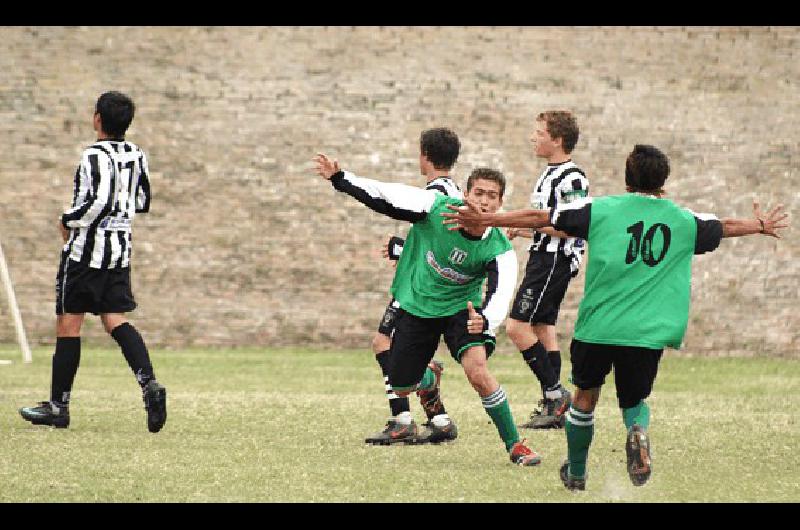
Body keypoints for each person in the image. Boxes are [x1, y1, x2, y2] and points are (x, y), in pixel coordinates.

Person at [441, 144, 788, 488]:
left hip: (599, 327)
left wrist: (489, 218)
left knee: (584, 398)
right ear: (663, 182)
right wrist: (757, 225)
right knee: (634, 400)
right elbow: (723, 225)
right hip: (648, 333)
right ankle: (637, 430)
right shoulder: (683, 220)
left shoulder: (600, 210)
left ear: (626, 178)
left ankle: (576, 472)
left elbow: (541, 217)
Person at [314, 153, 542, 466]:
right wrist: (341, 179)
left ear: (500, 204)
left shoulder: (498, 246)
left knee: (477, 371)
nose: (484, 201)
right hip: (420, 304)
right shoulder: (435, 208)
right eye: (479, 193)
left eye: (492, 197)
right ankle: (427, 380)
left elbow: (502, 291)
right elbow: (386, 195)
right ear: (465, 195)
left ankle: (516, 445)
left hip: (463, 310)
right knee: (401, 385)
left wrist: (486, 320)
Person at [19, 91, 167, 433]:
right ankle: (149, 385)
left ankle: (59, 406)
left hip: (86, 251)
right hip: (119, 249)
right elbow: (142, 201)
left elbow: (97, 201)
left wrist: (67, 219)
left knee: (69, 324)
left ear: (97, 118)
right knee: (114, 319)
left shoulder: (92, 156)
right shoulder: (136, 154)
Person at [367, 128, 463, 446]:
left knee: (383, 342)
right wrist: (402, 249)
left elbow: (435, 244)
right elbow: (435, 240)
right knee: (386, 343)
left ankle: (403, 419)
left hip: (421, 288)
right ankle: (439, 419)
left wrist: (401, 252)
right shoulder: (453, 190)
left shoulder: (435, 192)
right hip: (433, 285)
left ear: (425, 155)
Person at [505, 110, 588, 429]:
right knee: (542, 327)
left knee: (516, 326)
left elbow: (574, 227)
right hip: (543, 256)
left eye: (539, 133)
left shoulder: (572, 178)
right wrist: (524, 230)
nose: (533, 137)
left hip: (554, 262)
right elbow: (550, 223)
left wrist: (522, 220)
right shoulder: (548, 174)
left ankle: (556, 395)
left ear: (558, 140)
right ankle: (554, 407)